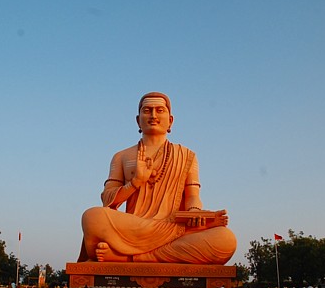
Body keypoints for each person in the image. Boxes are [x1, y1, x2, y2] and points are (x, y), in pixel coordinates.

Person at [79, 92, 237, 264]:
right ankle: (140, 255)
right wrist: (135, 182)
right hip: (135, 227)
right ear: (138, 120)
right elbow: (108, 202)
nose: (153, 115)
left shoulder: (187, 155)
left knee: (225, 239)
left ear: (170, 120)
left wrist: (194, 213)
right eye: (147, 110)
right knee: (92, 217)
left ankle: (128, 257)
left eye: (159, 110)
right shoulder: (122, 156)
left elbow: (192, 195)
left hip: (174, 227)